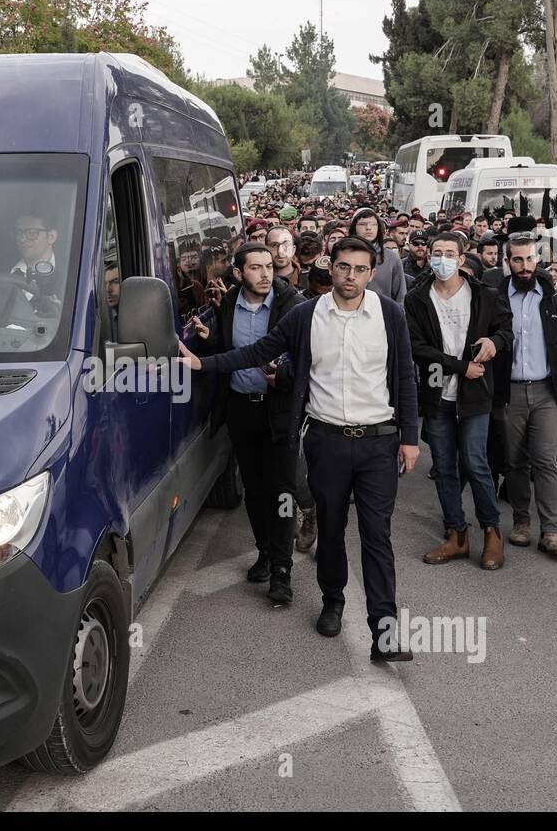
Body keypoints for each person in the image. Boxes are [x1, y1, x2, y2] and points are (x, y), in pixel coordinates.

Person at [178, 236, 421, 657]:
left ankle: (385, 633)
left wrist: (411, 439)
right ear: (331, 268)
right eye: (343, 267)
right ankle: (332, 602)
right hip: (326, 440)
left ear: (372, 272)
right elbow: (257, 351)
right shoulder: (308, 315)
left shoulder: (390, 315)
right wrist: (205, 363)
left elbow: (404, 377)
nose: (350, 276)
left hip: (379, 442)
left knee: (376, 538)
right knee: (329, 528)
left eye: (360, 269)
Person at [189, 242, 302, 602]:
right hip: (241, 408)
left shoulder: (293, 306)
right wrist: (210, 343)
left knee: (281, 489)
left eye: (269, 266)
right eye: (256, 267)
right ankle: (265, 553)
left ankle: (282, 570)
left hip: (278, 412)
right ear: (239, 273)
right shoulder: (228, 306)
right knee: (254, 489)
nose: (266, 273)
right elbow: (230, 352)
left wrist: (283, 375)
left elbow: (306, 360)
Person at [405, 232, 512, 571]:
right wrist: (459, 366)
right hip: (439, 394)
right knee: (444, 468)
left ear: (463, 259)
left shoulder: (484, 295)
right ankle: (457, 535)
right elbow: (417, 347)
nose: (442, 259)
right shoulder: (417, 298)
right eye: (437, 253)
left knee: (476, 461)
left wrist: (495, 342)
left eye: (450, 253)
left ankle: (492, 531)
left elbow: (505, 331)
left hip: (475, 395)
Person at [496, 232, 557, 558]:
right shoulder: (497, 297)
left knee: (545, 461)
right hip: (511, 392)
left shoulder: (554, 300)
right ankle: (521, 522)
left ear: (538, 260)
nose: (524, 265)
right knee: (515, 461)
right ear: (508, 262)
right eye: (517, 259)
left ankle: (551, 531)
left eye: (530, 258)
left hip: (547, 392)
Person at [351, 207, 406, 303]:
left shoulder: (391, 258)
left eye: (373, 224)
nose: (368, 228)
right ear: (354, 227)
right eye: (363, 224)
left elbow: (401, 296)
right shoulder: (345, 255)